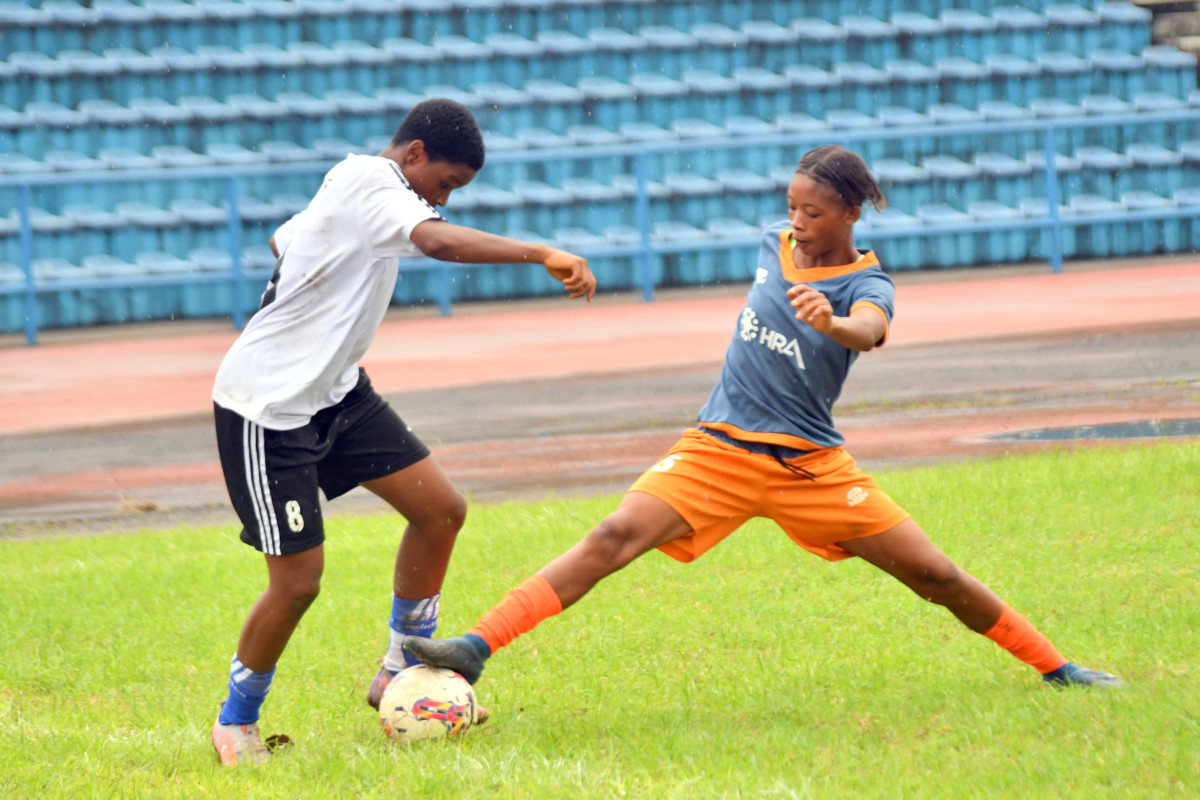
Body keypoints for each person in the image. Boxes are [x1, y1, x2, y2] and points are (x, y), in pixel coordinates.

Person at [405, 144, 1124, 699]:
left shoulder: (866, 284)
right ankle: (477, 646)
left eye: (814, 213)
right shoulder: (773, 244)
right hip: (716, 449)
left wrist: (834, 324)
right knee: (612, 537)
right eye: (792, 207)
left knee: (934, 573)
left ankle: (1057, 668)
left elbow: (870, 329)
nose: (798, 223)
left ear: (851, 214)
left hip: (810, 467)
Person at [209, 98, 597, 766]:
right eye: (445, 183)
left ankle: (399, 672)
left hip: (337, 395)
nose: (442, 200)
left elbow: (283, 239)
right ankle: (235, 722)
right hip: (266, 408)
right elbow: (436, 242)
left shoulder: (355, 186)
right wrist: (541, 252)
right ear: (414, 153)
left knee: (440, 510)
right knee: (298, 582)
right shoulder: (372, 181)